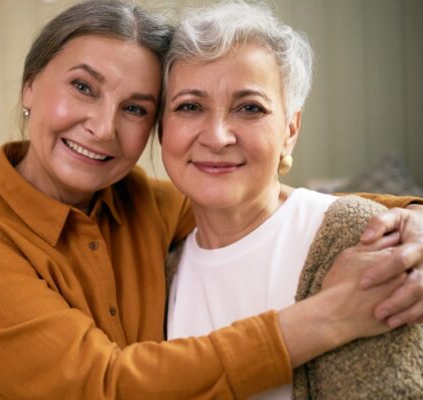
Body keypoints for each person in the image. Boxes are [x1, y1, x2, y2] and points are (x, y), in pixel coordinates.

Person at [0, 1, 423, 399]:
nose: (102, 127)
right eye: (82, 87)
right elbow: (102, 386)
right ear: (29, 86)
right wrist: (327, 316)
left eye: (135, 108)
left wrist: (408, 214)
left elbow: (262, 199)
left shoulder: (145, 203)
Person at [162, 1, 423, 399]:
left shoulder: (360, 238)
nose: (217, 137)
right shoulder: (161, 264)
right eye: (189, 107)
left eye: (249, 108)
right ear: (162, 128)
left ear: (290, 129)